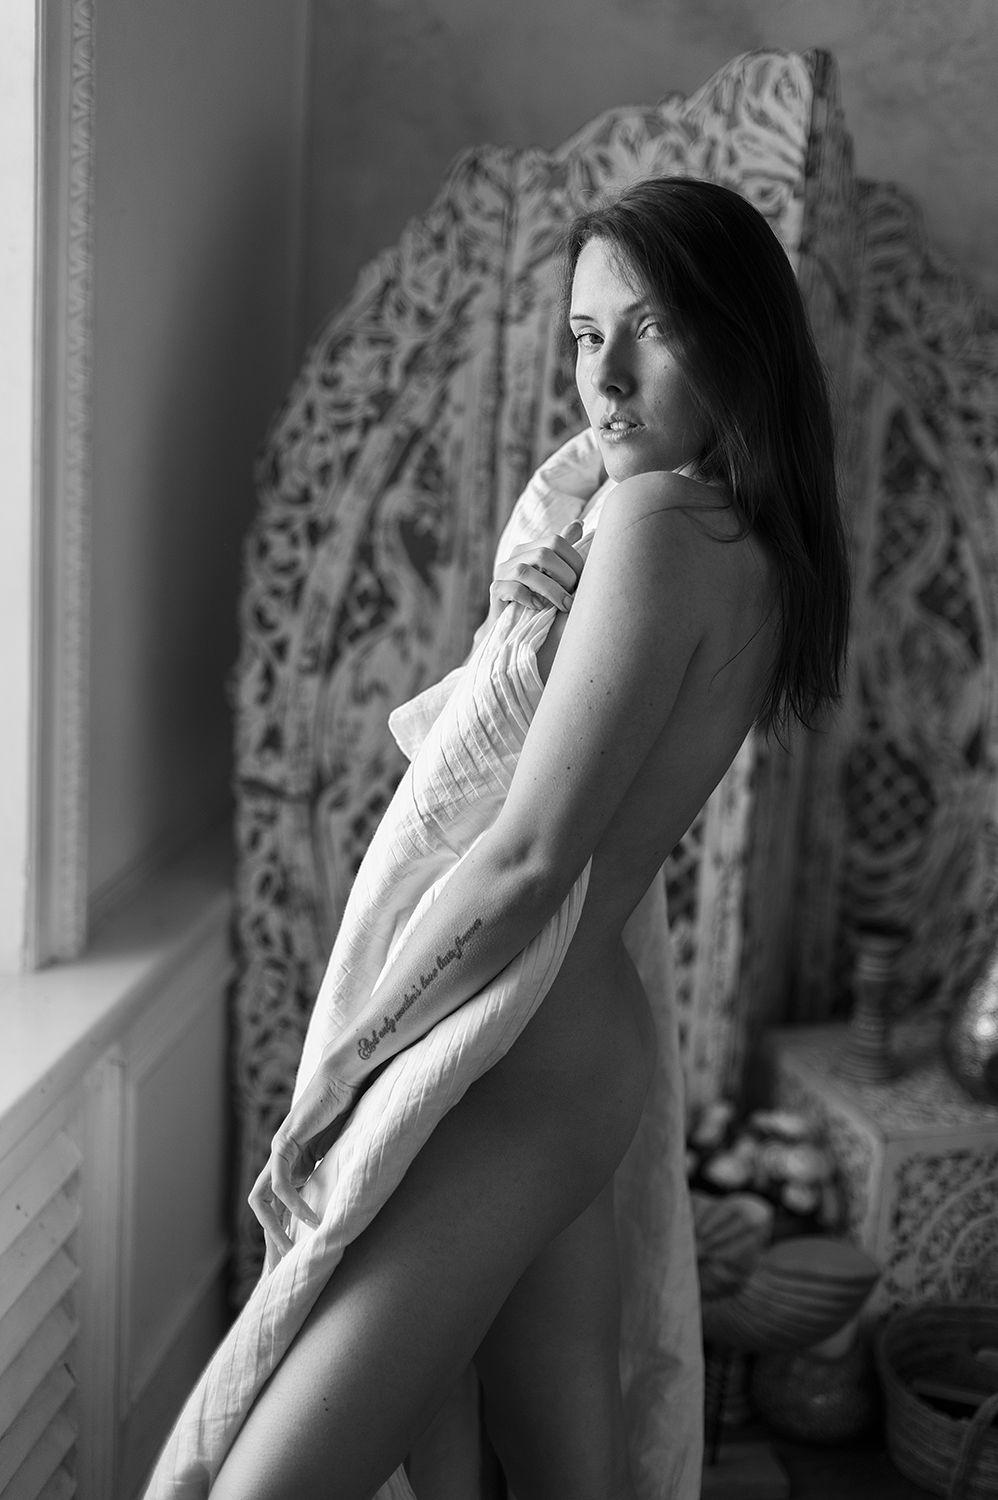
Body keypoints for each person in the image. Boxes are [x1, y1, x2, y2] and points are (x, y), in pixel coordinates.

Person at [146, 176, 849, 1500]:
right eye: (585, 335)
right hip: (571, 1056)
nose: (607, 375)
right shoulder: (751, 547)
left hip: (520, 1069)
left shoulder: (652, 523)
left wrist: (349, 1070)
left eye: (652, 326)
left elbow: (528, 857)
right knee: (564, 1472)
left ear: (740, 336)